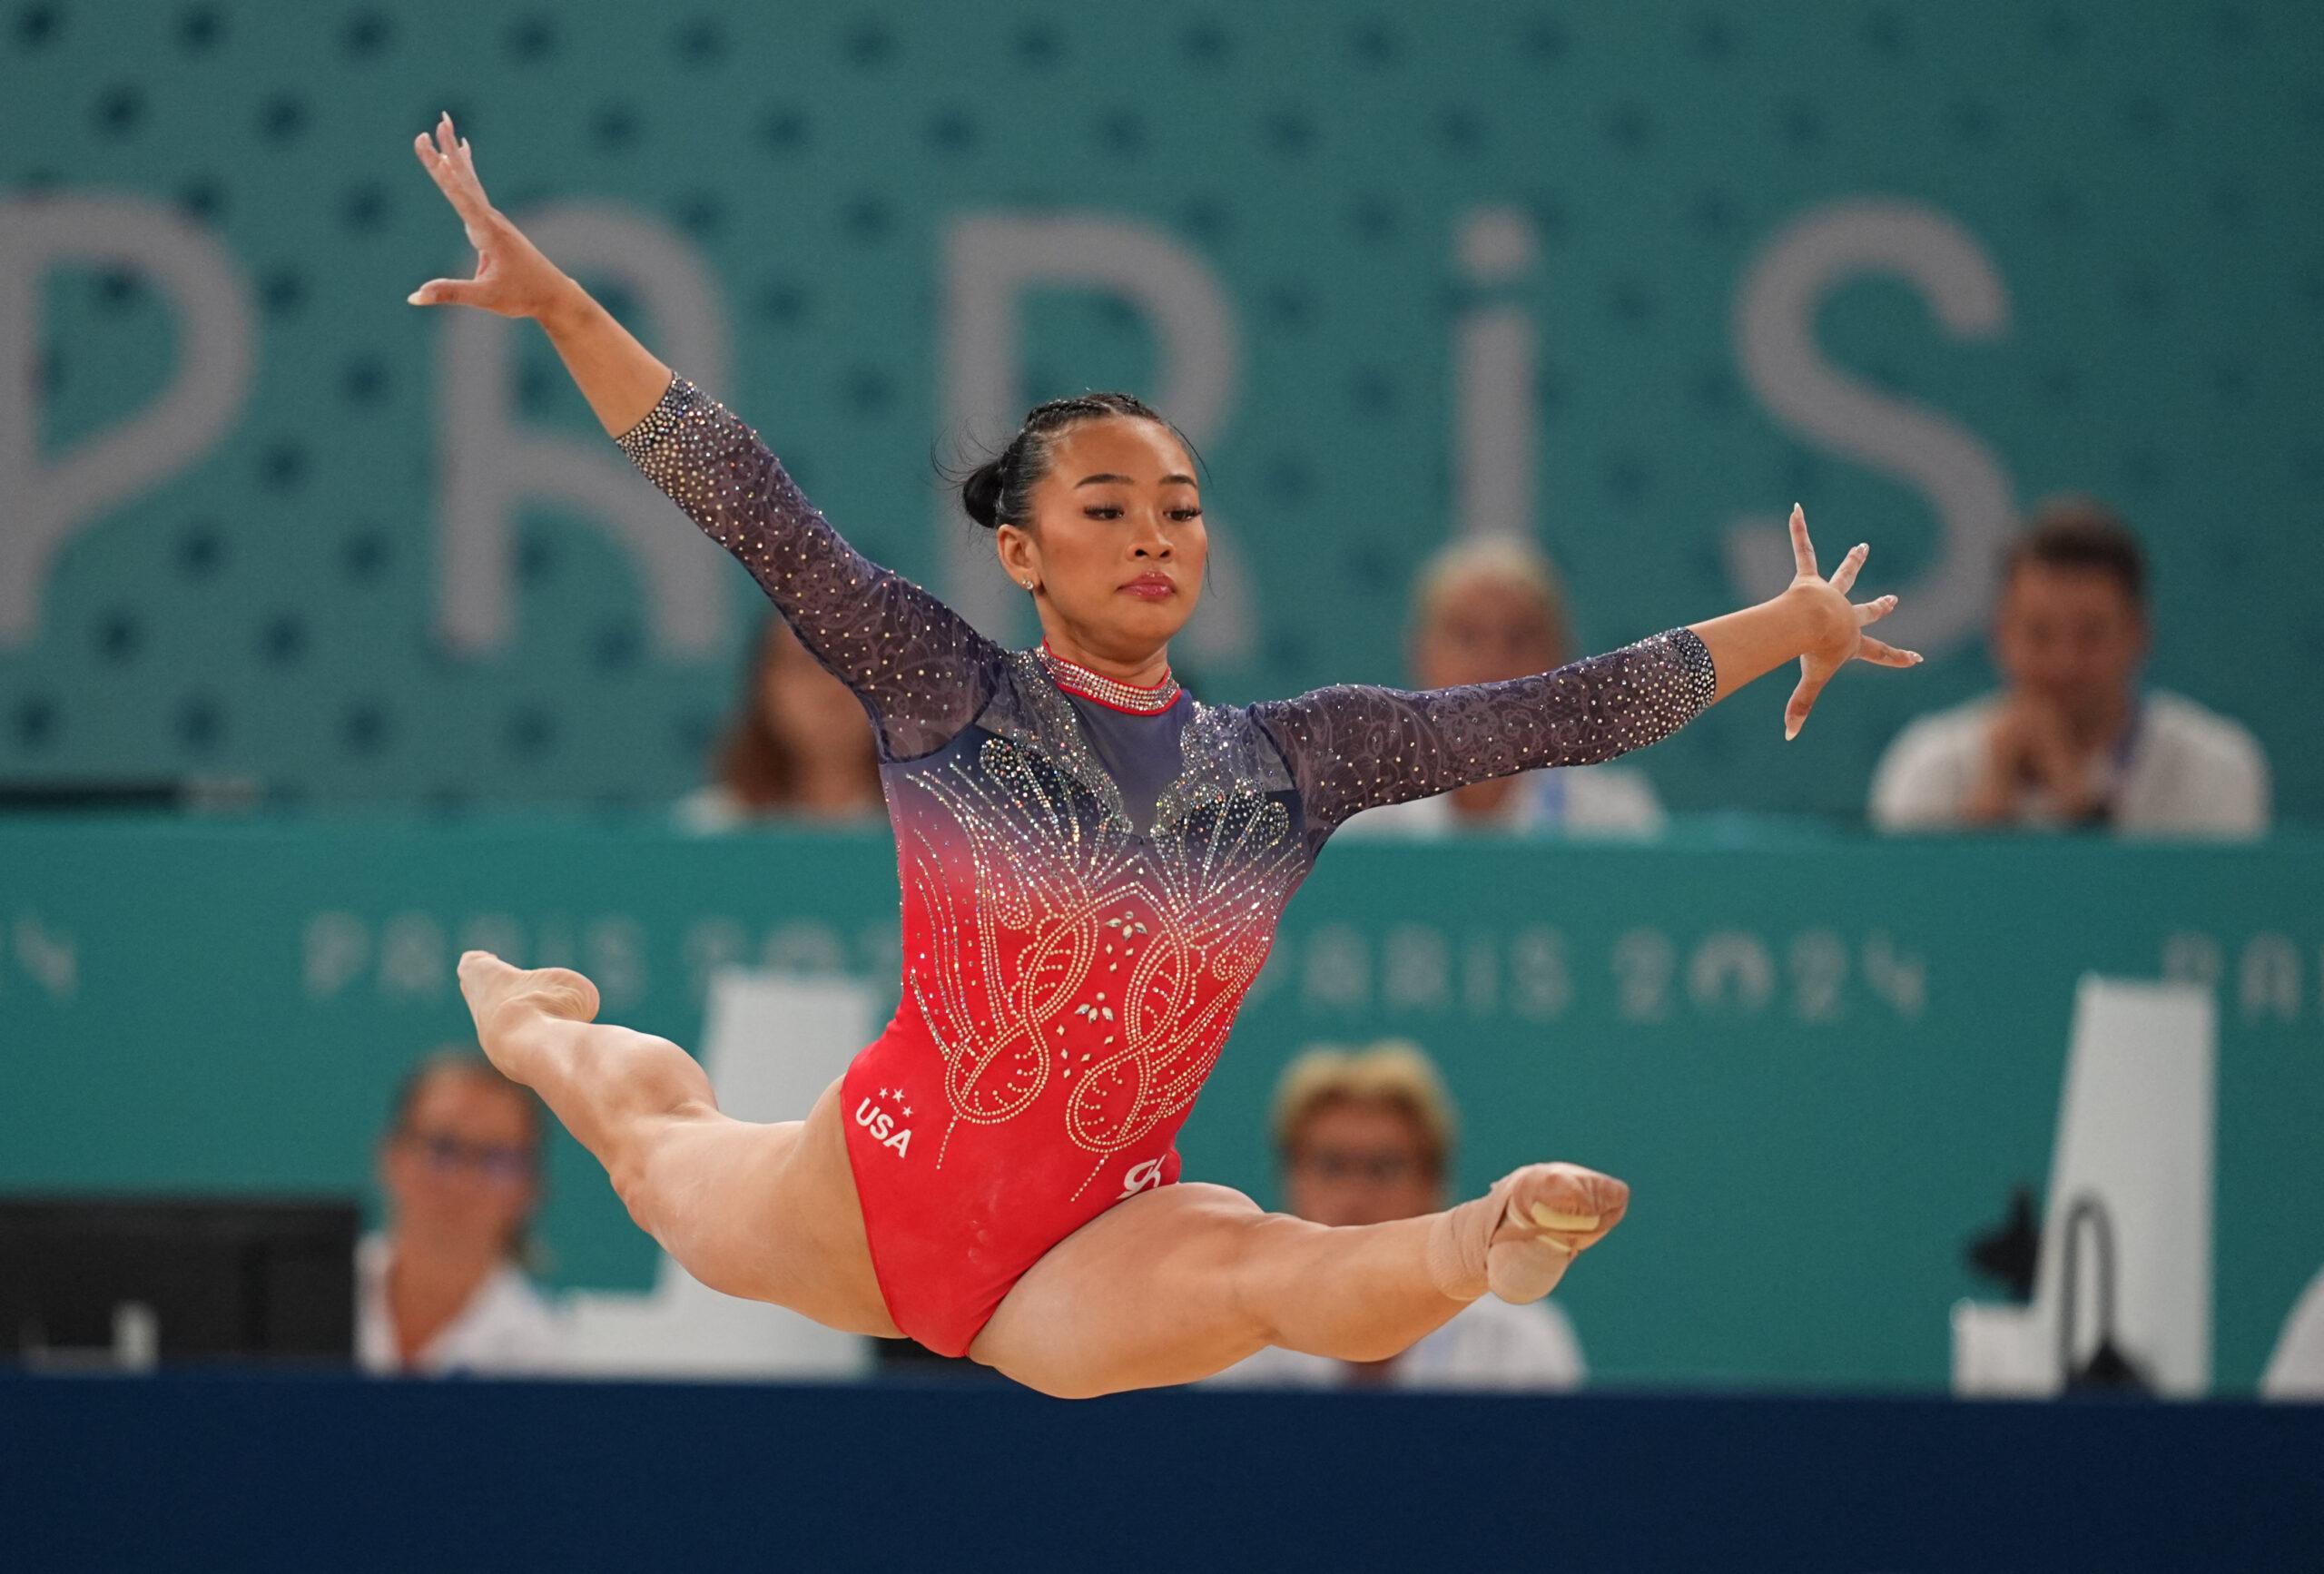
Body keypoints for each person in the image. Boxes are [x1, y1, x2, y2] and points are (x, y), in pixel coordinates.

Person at [409, 111, 1918, 1399]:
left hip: (1090, 1241)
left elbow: (1565, 710)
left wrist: (1790, 621)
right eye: (1106, 506)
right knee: (649, 1136)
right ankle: (532, 1023)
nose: (1151, 534)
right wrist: (560, 310)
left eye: (1178, 506)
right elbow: (747, 501)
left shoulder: (1299, 761)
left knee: (1270, 1266)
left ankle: (1494, 1236)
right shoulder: (947, 688)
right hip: (872, 1197)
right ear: (1020, 548)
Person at [1869, 498, 2269, 835]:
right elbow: (1913, 921)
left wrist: (2083, 811)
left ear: (2139, 634)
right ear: (2001, 636)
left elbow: (2204, 917)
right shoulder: (1928, 764)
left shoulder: (2217, 767)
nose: (2065, 662)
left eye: (2091, 634)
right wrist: (1987, 817)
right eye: (2040, 634)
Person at [1206, 1042, 1585, 1391]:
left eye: (1383, 1168)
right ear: (1292, 1179)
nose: (1354, 1196)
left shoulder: (1517, 1342)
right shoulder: (1240, 1345)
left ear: (1432, 1182)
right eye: (1331, 1166)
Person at [1341, 536, 1662, 837]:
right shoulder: (1356, 818)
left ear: (1561, 660)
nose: (1492, 663)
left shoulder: (1615, 820)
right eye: (1466, 637)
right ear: (1422, 654)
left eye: (1520, 638)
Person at [359, 1048, 566, 1375]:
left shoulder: (544, 1359)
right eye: (443, 1148)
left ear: (529, 1188)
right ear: (392, 1156)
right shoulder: (307, 1296)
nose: (463, 1182)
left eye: (495, 1159)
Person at [676, 610, 884, 830]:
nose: (832, 688)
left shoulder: (923, 827)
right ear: (763, 687)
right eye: (805, 664)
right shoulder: (706, 833)